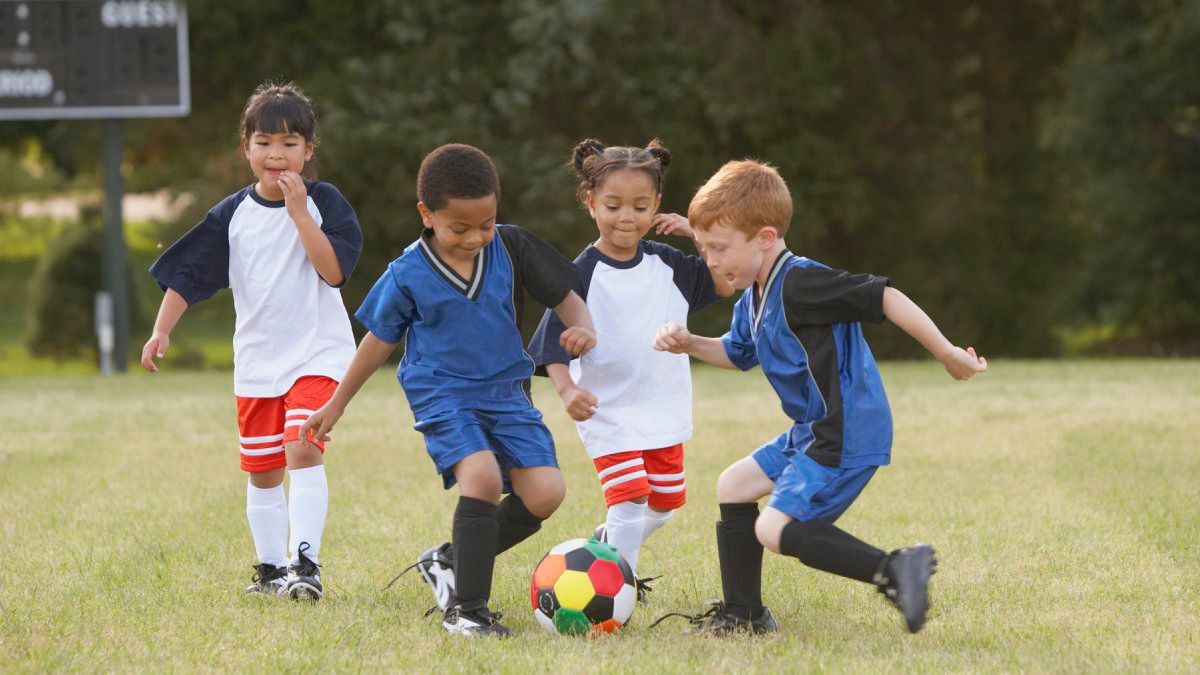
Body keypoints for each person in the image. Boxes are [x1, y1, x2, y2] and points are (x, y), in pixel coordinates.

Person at [651, 159, 986, 634]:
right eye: (704, 248)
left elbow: (884, 296)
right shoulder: (754, 293)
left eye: (718, 249)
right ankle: (744, 613)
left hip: (844, 429)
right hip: (812, 429)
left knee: (773, 530)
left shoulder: (802, 282)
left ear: (765, 238)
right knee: (734, 485)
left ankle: (895, 568)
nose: (710, 261)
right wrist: (690, 343)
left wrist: (948, 352)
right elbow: (738, 353)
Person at [300, 143, 596, 637]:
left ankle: (449, 560)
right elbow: (377, 342)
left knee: (546, 493)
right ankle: (468, 611)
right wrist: (336, 404)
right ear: (427, 214)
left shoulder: (512, 245)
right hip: (442, 392)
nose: (476, 237)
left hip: (506, 392)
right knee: (479, 477)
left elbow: (566, 294)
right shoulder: (408, 273)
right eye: (460, 228)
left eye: (486, 224)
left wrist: (582, 327)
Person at [141, 82, 363, 601]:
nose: (276, 154)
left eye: (289, 143)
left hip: (319, 353)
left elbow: (333, 273)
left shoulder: (325, 203)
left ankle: (305, 566)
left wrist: (300, 214)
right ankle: (270, 572)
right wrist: (161, 329)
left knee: (303, 449)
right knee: (263, 471)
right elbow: (188, 275)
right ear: (246, 149)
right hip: (259, 362)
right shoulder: (231, 215)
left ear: (309, 152)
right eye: (264, 142)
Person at [528, 139, 732, 601]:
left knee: (663, 505)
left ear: (657, 205)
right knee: (630, 497)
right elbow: (549, 347)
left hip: (662, 406)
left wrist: (699, 235)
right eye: (613, 205)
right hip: (607, 409)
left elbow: (724, 280)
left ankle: (606, 550)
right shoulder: (578, 274)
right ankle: (619, 590)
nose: (627, 217)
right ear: (590, 203)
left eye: (641, 206)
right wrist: (566, 392)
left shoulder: (671, 264)